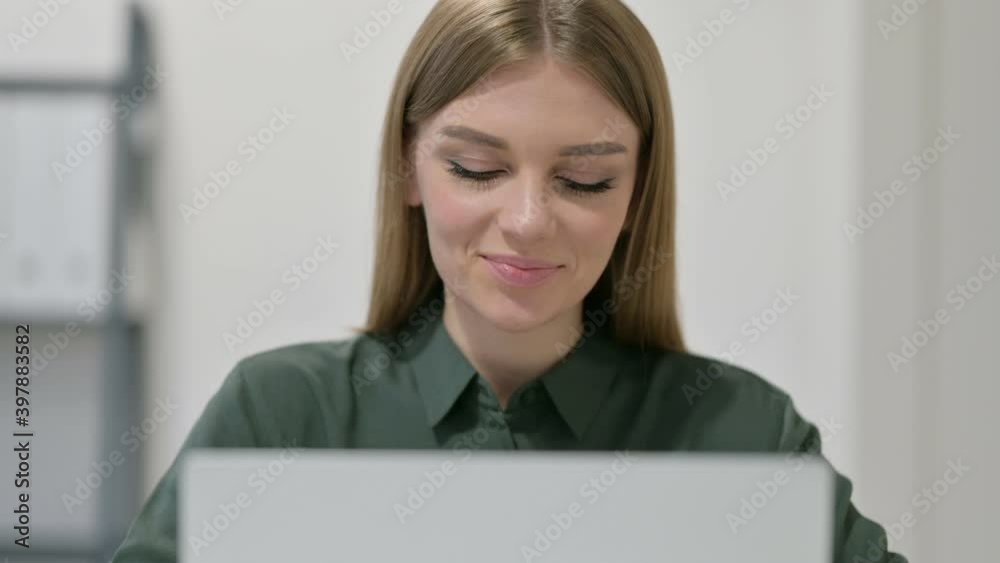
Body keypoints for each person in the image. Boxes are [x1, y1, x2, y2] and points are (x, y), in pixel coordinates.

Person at [112, 1, 907, 561]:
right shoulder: (279, 415)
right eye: (476, 168)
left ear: (638, 192)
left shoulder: (745, 436)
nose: (527, 221)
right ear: (408, 167)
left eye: (584, 180)